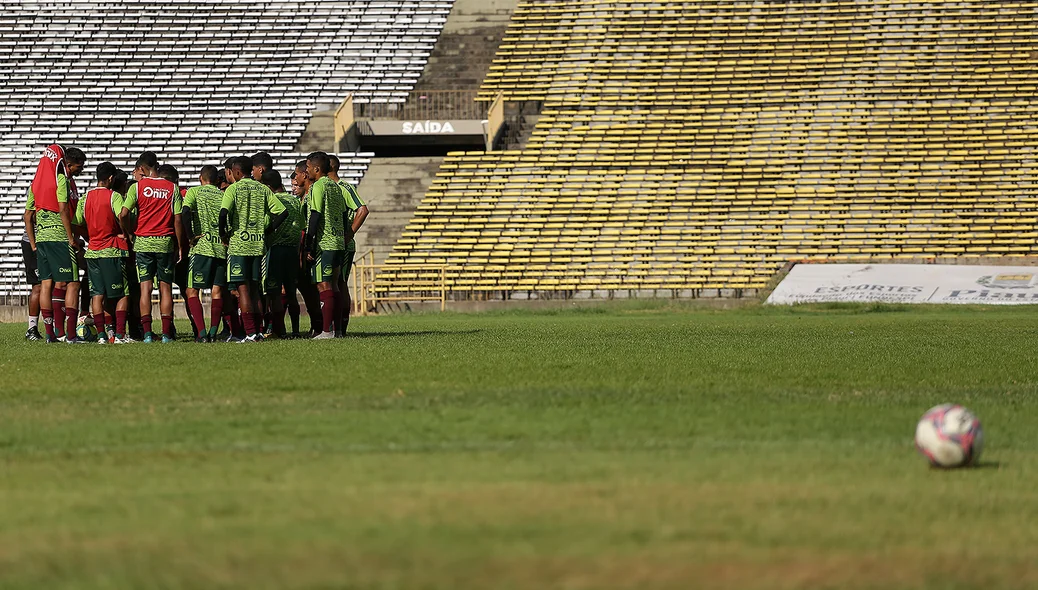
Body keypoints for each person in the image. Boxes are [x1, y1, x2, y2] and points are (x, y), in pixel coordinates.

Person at [219, 156, 288, 342]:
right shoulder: (263, 189)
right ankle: (258, 331)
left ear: (238, 172)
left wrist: (223, 233)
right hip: (258, 244)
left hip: (239, 245)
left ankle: (249, 332)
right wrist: (267, 230)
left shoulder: (233, 188)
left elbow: (224, 213)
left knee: (243, 289)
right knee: (255, 289)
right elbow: (282, 212)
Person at [119, 153, 185, 343]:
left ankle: (147, 333)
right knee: (165, 288)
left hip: (143, 242)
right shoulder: (172, 188)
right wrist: (179, 244)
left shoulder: (138, 187)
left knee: (145, 288)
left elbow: (123, 214)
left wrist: (129, 232)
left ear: (141, 168)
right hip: (164, 241)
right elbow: (178, 219)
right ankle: (166, 334)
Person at [27, 144, 87, 342]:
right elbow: (63, 209)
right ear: (65, 163)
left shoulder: (36, 182)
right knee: (73, 283)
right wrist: (71, 238)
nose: (81, 170)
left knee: (46, 284)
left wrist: (34, 244)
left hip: (42, 238)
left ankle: (51, 334)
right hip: (60, 237)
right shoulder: (60, 179)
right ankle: (70, 335)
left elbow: (27, 216)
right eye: (79, 166)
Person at [75, 162, 131, 344]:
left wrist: (89, 236)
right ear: (110, 178)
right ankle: (120, 335)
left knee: (97, 295)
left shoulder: (85, 197)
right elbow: (121, 215)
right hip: (111, 250)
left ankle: (101, 336)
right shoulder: (113, 196)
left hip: (93, 252)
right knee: (122, 293)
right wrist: (124, 233)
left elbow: (76, 221)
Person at [182, 165, 235, 342]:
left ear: (200, 178)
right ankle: (213, 333)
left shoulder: (194, 192)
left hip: (201, 247)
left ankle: (202, 334)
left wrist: (190, 236)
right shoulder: (223, 195)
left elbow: (186, 212)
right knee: (217, 291)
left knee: (192, 291)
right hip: (220, 248)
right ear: (217, 180)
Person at [302, 151, 347, 339]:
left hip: (325, 243)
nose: (306, 171)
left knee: (324, 285)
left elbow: (315, 215)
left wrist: (309, 245)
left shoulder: (318, 186)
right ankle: (336, 330)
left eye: (308, 167)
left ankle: (326, 331)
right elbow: (344, 215)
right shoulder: (335, 187)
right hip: (338, 242)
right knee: (334, 286)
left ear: (317, 168)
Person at [329, 154, 369, 335]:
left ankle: (341, 328)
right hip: (331, 243)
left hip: (342, 244)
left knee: (340, 283)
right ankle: (331, 326)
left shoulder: (344, 187)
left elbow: (362, 209)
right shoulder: (324, 187)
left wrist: (349, 233)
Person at [259, 169, 302, 338]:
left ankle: (279, 329)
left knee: (274, 292)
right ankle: (296, 330)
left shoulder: (272, 201)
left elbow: (266, 224)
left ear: (268, 186)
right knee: (291, 292)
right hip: (292, 250)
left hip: (276, 250)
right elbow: (301, 225)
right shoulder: (295, 201)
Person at [292, 160, 321, 335]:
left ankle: (320, 325)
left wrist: (309, 247)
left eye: (296, 176)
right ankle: (316, 325)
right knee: (306, 290)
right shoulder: (302, 200)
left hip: (310, 250)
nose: (294, 183)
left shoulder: (312, 196)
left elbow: (313, 223)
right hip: (303, 250)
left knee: (312, 291)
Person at [21, 198, 42, 341]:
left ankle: (54, 328)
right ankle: (32, 328)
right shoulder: (36, 186)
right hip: (33, 242)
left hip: (49, 241)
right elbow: (29, 215)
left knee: (52, 285)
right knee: (38, 286)